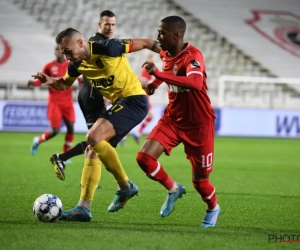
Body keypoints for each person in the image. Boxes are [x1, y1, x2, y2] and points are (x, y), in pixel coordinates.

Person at [32, 28, 160, 221]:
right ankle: (83, 208)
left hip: (134, 100)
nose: (66, 57)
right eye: (63, 53)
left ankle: (126, 186)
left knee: (93, 136)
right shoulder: (76, 65)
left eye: (68, 51)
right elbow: (64, 84)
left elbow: (147, 42)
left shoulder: (109, 47)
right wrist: (50, 80)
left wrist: (171, 55)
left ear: (81, 43)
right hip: (120, 103)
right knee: (91, 150)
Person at [136, 16, 221, 228]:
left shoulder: (193, 56)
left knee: (200, 183)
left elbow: (194, 82)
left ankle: (212, 207)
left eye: (162, 33)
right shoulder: (166, 53)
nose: (158, 37)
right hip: (173, 119)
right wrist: (155, 82)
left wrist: (157, 74)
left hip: (199, 125)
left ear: (176, 35)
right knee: (144, 158)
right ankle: (173, 189)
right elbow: (166, 72)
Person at [50, 10, 116, 181]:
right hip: (93, 95)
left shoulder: (103, 42)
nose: (110, 27)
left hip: (93, 94)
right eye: (107, 24)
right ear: (99, 25)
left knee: (98, 140)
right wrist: (104, 92)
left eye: (113, 24)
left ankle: (86, 174)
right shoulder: (96, 43)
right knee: (98, 139)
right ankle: (63, 159)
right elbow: (89, 71)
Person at [28, 46, 75, 156]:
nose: (58, 52)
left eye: (60, 50)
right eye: (56, 50)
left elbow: (79, 77)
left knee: (71, 127)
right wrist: (33, 83)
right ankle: (37, 140)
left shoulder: (70, 65)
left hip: (68, 101)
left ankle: (65, 154)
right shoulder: (49, 66)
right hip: (55, 102)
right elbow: (41, 80)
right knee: (55, 131)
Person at [122, 54, 155, 146]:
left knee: (149, 116)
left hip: (146, 95)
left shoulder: (150, 70)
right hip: (143, 95)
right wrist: (151, 83)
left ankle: (136, 133)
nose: (152, 62)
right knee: (138, 116)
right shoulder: (146, 69)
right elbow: (141, 80)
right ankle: (126, 134)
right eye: (150, 60)